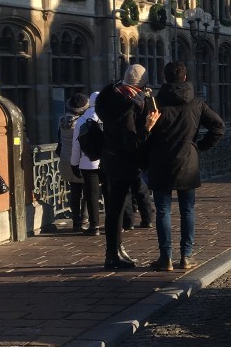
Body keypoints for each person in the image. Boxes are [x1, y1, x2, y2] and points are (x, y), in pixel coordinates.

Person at [146, 62, 224, 271]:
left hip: (160, 161)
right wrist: (199, 146)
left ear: (165, 78)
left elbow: (142, 135)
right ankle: (186, 256)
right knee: (187, 210)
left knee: (163, 211)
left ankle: (166, 258)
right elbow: (218, 126)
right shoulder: (197, 103)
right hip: (187, 161)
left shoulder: (154, 103)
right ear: (185, 76)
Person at [95, 64, 161, 270]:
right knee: (115, 210)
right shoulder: (125, 105)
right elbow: (131, 142)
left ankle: (117, 248)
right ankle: (112, 254)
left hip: (110, 159)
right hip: (121, 162)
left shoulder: (114, 94)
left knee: (116, 208)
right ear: (141, 84)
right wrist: (148, 127)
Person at [71, 91, 103, 236]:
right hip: (106, 161)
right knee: (110, 194)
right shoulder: (107, 117)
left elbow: (76, 145)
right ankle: (115, 224)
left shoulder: (82, 120)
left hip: (88, 162)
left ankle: (94, 225)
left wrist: (74, 163)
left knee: (91, 195)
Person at [58, 93, 89, 232]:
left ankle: (76, 220)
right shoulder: (82, 121)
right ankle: (84, 219)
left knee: (75, 192)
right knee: (88, 191)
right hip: (81, 159)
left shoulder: (62, 120)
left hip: (66, 159)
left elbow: (59, 141)